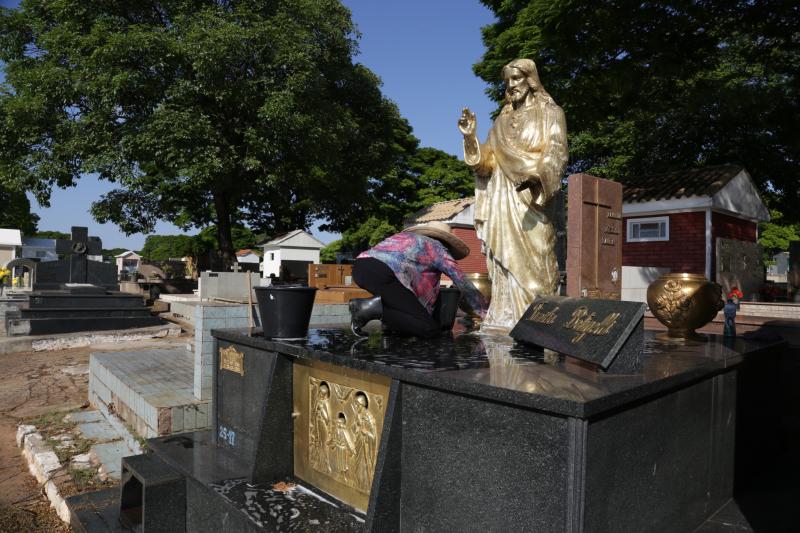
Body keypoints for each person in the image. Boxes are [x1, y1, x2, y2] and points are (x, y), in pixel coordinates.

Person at [458, 58, 568, 330]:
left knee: (538, 263)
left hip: (532, 197)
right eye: (507, 81)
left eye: (516, 79)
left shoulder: (551, 113)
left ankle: (539, 325)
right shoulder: (501, 122)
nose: (511, 85)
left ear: (530, 80)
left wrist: (538, 176)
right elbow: (486, 165)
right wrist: (471, 137)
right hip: (502, 199)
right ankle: (507, 318)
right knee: (503, 264)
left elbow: (557, 153)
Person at [349, 221, 489, 337]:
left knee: (404, 311)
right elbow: (461, 280)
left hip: (361, 267)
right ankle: (367, 309)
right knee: (428, 329)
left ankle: (381, 316)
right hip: (384, 272)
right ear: (446, 242)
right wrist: (484, 312)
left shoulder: (405, 237)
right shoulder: (438, 248)